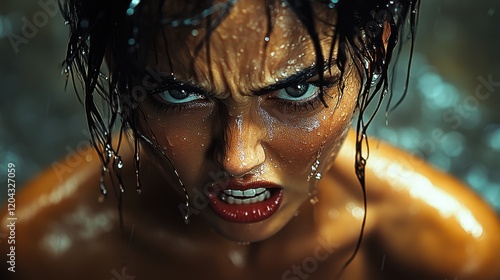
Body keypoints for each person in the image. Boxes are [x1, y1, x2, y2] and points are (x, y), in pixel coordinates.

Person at [2, 0, 500, 279]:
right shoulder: (33, 254)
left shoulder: (452, 256)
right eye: (178, 95)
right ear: (118, 69)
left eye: (296, 89)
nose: (237, 159)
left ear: (376, 48)